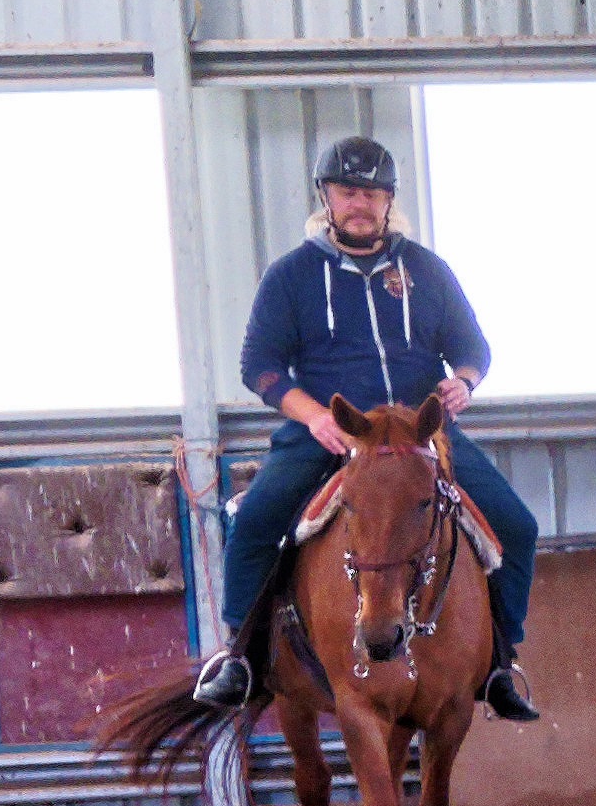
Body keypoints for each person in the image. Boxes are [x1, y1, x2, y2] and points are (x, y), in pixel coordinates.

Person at [185, 138, 543, 723]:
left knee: (518, 529)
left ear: (388, 201)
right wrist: (315, 416)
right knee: (254, 521)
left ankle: (501, 662)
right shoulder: (291, 276)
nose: (360, 203)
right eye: (349, 191)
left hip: (420, 436)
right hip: (333, 430)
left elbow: (472, 347)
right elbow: (261, 366)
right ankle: (241, 659)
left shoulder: (427, 270)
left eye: (373, 193)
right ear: (326, 197)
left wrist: (466, 382)